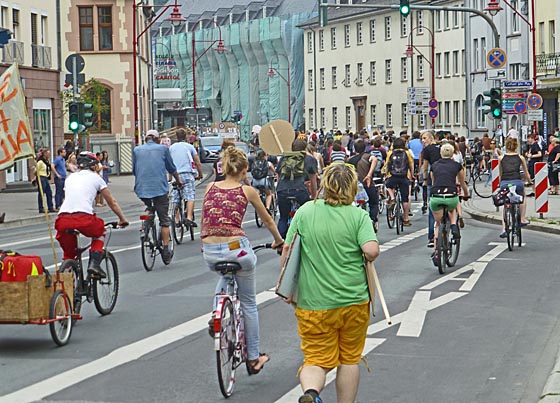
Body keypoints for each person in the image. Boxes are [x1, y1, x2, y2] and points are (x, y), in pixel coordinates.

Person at [281, 163, 379, 403]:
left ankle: (311, 393)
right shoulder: (358, 215)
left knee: (315, 358)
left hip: (314, 303)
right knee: (349, 358)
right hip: (353, 301)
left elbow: (287, 249)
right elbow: (371, 250)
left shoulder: (305, 212)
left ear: (325, 185)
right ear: (352, 188)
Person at [201, 147, 284, 374]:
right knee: (248, 302)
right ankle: (254, 358)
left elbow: (205, 221)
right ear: (245, 169)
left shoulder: (210, 187)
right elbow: (267, 220)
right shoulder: (247, 191)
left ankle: (215, 315)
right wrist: (278, 241)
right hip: (236, 249)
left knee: (224, 274)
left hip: (209, 250)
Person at [55, 152, 128, 278]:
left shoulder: (70, 178)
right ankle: (94, 264)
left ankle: (66, 285)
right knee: (99, 232)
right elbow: (112, 202)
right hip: (83, 218)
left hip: (62, 219)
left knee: (69, 255)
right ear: (93, 166)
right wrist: (122, 219)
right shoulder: (96, 179)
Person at [133, 129, 182, 264]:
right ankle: (166, 248)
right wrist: (178, 181)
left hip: (142, 188)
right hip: (159, 188)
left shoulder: (137, 150)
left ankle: (146, 225)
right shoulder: (163, 149)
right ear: (157, 139)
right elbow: (171, 168)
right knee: (164, 220)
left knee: (149, 206)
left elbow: (134, 170)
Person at [429, 143, 470, 266]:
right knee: (453, 208)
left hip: (436, 197)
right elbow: (462, 183)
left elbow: (433, 181)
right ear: (453, 154)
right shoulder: (457, 166)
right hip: (451, 195)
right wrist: (466, 194)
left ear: (441, 153)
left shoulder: (434, 165)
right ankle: (453, 225)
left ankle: (436, 253)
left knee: (438, 224)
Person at [276, 138, 318, 238]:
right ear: (305, 148)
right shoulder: (310, 159)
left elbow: (278, 176)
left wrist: (278, 191)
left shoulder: (284, 158)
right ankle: (308, 237)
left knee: (283, 218)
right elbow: (313, 181)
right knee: (308, 215)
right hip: (300, 190)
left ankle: (280, 243)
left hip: (282, 190)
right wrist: (314, 196)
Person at [169, 128, 204, 227]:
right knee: (190, 196)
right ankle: (188, 217)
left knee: (175, 197)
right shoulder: (189, 147)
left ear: (176, 137)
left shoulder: (171, 148)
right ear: (186, 137)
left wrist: (170, 177)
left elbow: (170, 163)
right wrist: (200, 174)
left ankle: (176, 220)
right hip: (187, 174)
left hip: (176, 175)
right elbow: (197, 162)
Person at [498, 137, 531, 237]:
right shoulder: (520, 158)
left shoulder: (501, 158)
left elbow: (500, 174)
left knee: (505, 203)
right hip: (517, 182)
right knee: (523, 196)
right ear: (516, 146)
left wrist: (500, 184)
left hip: (505, 183)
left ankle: (504, 229)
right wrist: (529, 182)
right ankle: (522, 218)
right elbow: (526, 173)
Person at [348, 139, 379, 230]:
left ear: (354, 149)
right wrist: (369, 175)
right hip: (367, 185)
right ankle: (373, 220)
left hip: (355, 187)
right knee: (374, 202)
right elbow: (375, 160)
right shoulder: (367, 156)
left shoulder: (350, 160)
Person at [383, 137, 414, 226]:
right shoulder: (407, 153)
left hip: (392, 176)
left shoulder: (390, 153)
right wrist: (411, 175)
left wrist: (385, 174)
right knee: (405, 199)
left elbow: (387, 164)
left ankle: (392, 198)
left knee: (388, 186)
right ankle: (406, 218)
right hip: (404, 177)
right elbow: (411, 164)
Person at [421, 131, 441, 247]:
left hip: (432, 179)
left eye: (424, 138)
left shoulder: (427, 150)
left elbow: (425, 166)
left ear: (430, 138)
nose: (423, 141)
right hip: (444, 178)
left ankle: (431, 236)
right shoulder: (442, 147)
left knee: (431, 208)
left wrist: (424, 179)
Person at [34, 148, 55, 213]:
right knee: (41, 193)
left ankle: (50, 207)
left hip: (46, 178)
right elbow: (35, 170)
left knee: (49, 193)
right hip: (41, 177)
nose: (49, 155)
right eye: (48, 154)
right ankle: (41, 208)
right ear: (44, 154)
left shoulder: (46, 161)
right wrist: (36, 177)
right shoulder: (40, 162)